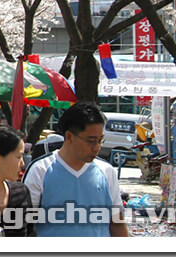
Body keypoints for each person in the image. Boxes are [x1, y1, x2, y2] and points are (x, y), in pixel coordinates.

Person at [23, 101, 129, 237]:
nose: (97, 147)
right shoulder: (40, 170)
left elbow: (117, 223)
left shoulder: (107, 171)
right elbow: (25, 224)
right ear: (69, 137)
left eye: (100, 140)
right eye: (91, 140)